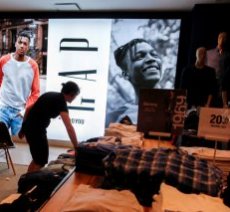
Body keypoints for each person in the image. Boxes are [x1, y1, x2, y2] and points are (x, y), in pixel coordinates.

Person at [18, 81, 80, 172]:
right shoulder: (61, 102)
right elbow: (69, 127)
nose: (75, 98)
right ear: (72, 94)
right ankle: (28, 183)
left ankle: (27, 181)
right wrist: (77, 147)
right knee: (40, 161)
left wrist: (23, 127)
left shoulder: (52, 95)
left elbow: (28, 109)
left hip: (32, 129)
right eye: (76, 96)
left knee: (38, 159)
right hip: (36, 131)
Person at [107, 38, 162, 125]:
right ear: (125, 75)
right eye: (139, 57)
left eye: (154, 54)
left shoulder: (179, 110)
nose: (151, 59)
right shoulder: (115, 118)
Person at [0, 30, 40, 136]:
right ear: (15, 43)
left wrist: (24, 112)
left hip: (20, 113)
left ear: (28, 47)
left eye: (25, 44)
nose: (22, 46)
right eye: (20, 42)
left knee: (19, 146)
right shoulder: (4, 60)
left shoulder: (33, 65)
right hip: (3, 109)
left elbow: (36, 93)